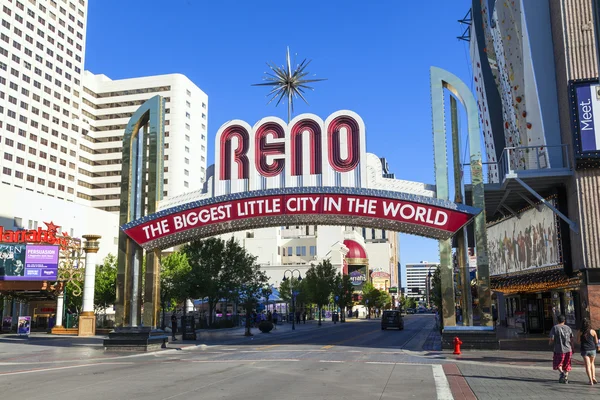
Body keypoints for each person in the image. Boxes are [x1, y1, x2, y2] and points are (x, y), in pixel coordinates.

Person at [549, 314, 574, 384]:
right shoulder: (568, 328)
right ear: (564, 321)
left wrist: (550, 342)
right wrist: (573, 347)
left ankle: (562, 373)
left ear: (557, 320)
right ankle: (565, 378)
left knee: (558, 363)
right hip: (568, 349)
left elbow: (552, 338)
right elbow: (571, 339)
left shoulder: (555, 328)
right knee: (567, 364)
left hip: (559, 349)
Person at [579, 318, 598, 385]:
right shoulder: (593, 331)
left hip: (585, 349)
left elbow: (578, 341)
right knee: (592, 363)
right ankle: (594, 377)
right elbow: (596, 341)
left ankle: (590, 380)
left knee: (587, 365)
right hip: (592, 349)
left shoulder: (581, 331)